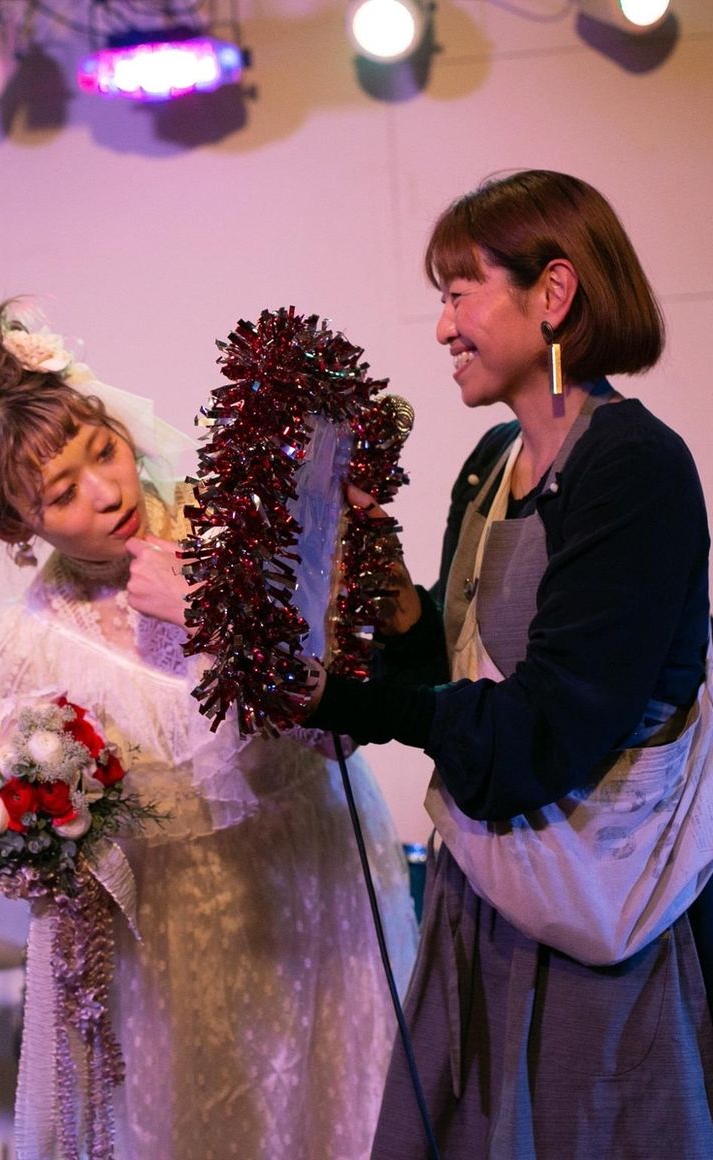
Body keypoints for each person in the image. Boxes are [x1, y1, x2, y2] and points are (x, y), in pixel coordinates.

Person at [0, 299, 419, 1160]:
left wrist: (218, 605)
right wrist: (46, 818)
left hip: (316, 888)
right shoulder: (35, 641)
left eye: (104, 450)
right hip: (178, 948)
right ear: (18, 524)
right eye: (62, 493)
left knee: (343, 1115)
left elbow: (345, 699)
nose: (107, 493)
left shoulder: (239, 526)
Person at [302, 170, 713, 1155]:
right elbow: (454, 675)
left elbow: (541, 732)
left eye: (458, 291)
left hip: (598, 916)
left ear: (553, 292)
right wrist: (393, 607)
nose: (443, 326)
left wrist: (340, 698)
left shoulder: (632, 466)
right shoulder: (491, 461)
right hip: (485, 898)